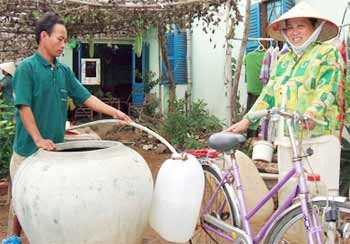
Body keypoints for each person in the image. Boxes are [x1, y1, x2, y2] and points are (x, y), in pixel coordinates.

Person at [4, 12, 132, 241]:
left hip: (55, 152)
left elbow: (85, 97)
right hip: (28, 151)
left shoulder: (63, 72)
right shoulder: (27, 69)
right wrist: (37, 139)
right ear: (44, 36)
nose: (64, 44)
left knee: (47, 202)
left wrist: (115, 111)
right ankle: (14, 238)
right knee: (24, 202)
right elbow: (24, 107)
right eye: (60, 39)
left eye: (65, 40)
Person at [227, 1, 344, 138]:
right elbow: (268, 93)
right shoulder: (284, 60)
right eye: (289, 28)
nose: (294, 32)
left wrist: (313, 113)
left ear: (314, 27)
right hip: (287, 135)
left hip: (319, 134)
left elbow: (328, 89)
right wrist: (247, 120)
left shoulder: (327, 53)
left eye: (301, 26)